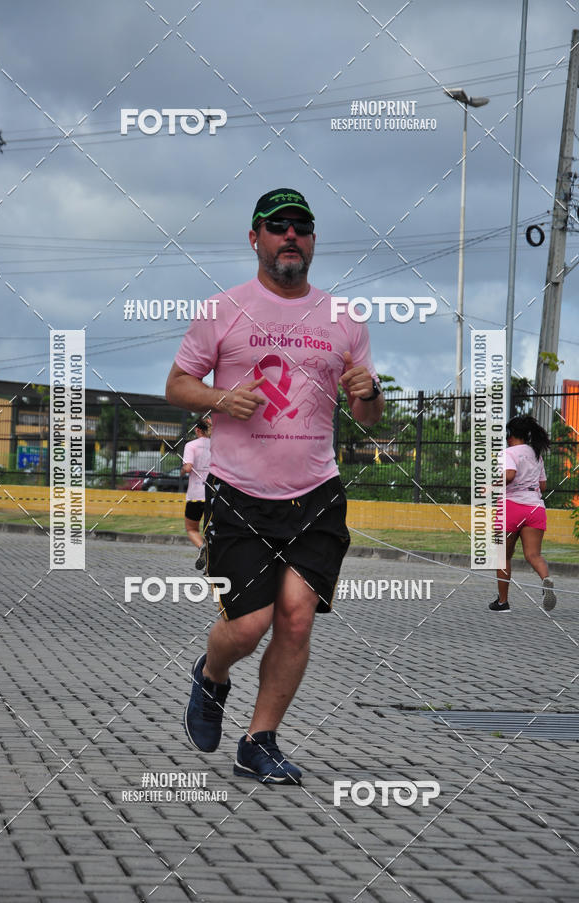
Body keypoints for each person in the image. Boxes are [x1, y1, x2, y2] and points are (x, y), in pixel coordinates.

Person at [166, 187, 384, 784]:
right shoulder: (223, 310)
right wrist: (218, 396)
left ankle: (259, 740)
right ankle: (211, 678)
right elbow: (177, 383)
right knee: (249, 623)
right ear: (256, 238)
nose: (292, 236)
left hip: (315, 492)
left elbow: (367, 418)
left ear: (312, 241)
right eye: (278, 226)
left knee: (295, 618)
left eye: (302, 227)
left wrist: (368, 393)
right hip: (239, 490)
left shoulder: (344, 320)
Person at [489, 414, 557, 613]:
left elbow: (509, 475)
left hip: (510, 507)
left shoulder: (508, 453)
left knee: (503, 557)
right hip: (535, 508)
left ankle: (503, 602)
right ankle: (546, 580)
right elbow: (542, 485)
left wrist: (491, 486)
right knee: (533, 554)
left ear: (509, 434)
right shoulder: (536, 453)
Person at [181, 418, 212, 570]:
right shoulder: (217, 446)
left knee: (192, 529)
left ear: (198, 430)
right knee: (212, 530)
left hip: (195, 495)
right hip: (213, 495)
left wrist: (182, 471)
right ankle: (214, 559)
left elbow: (187, 468)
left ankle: (202, 547)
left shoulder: (191, 445)